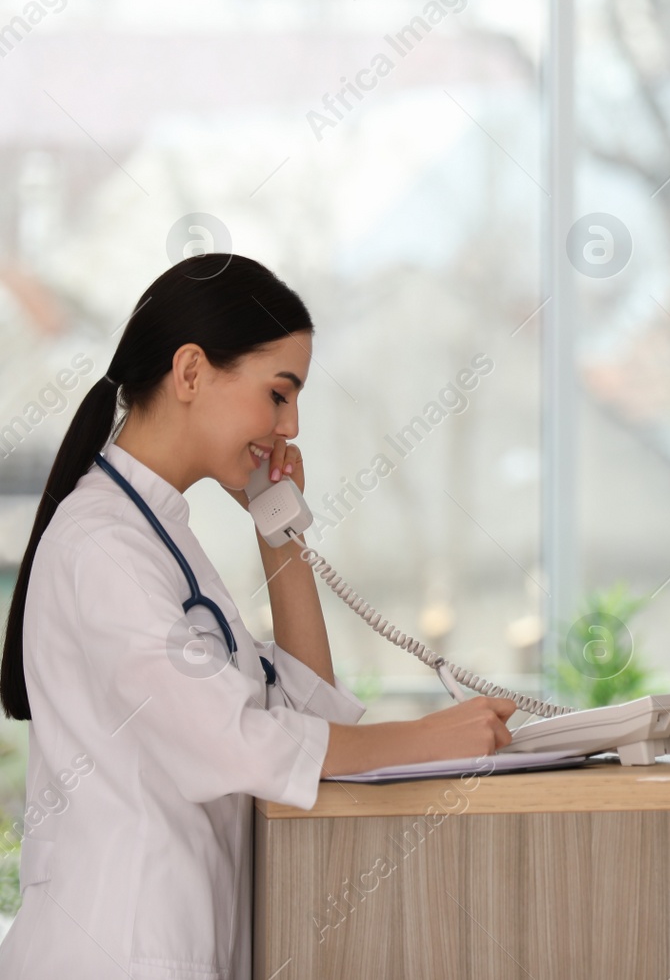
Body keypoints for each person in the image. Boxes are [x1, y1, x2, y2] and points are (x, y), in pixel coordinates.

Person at [0, 255, 517, 978]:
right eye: (279, 393)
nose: (291, 423)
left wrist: (279, 534)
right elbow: (243, 741)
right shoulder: (102, 546)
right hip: (114, 952)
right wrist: (425, 737)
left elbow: (303, 707)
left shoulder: (160, 534)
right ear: (190, 373)